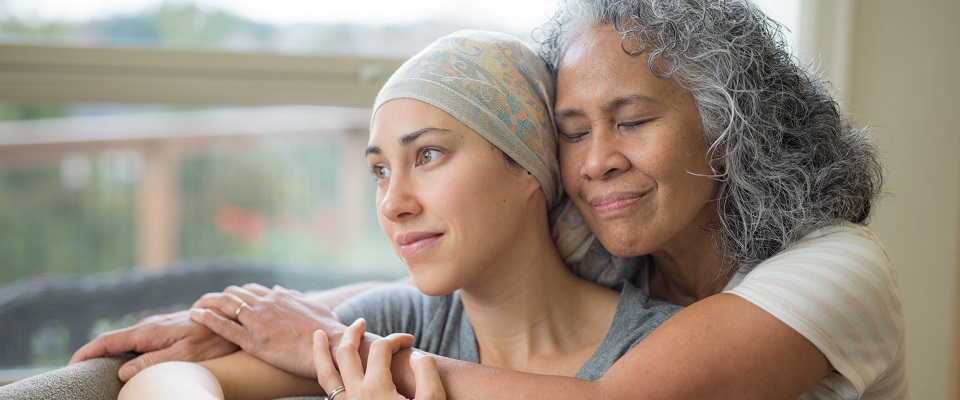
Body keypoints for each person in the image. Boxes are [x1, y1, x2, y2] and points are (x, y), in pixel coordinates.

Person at [73, 0, 907, 398]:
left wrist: (350, 353)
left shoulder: (834, 269)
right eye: (574, 130)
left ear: (731, 127)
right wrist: (239, 317)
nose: (597, 161)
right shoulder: (611, 243)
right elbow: (423, 290)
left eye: (633, 120)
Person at [114, 29, 680, 399]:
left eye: (427, 155)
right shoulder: (400, 322)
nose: (393, 202)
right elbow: (168, 383)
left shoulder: (659, 352)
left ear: (529, 164)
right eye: (381, 170)